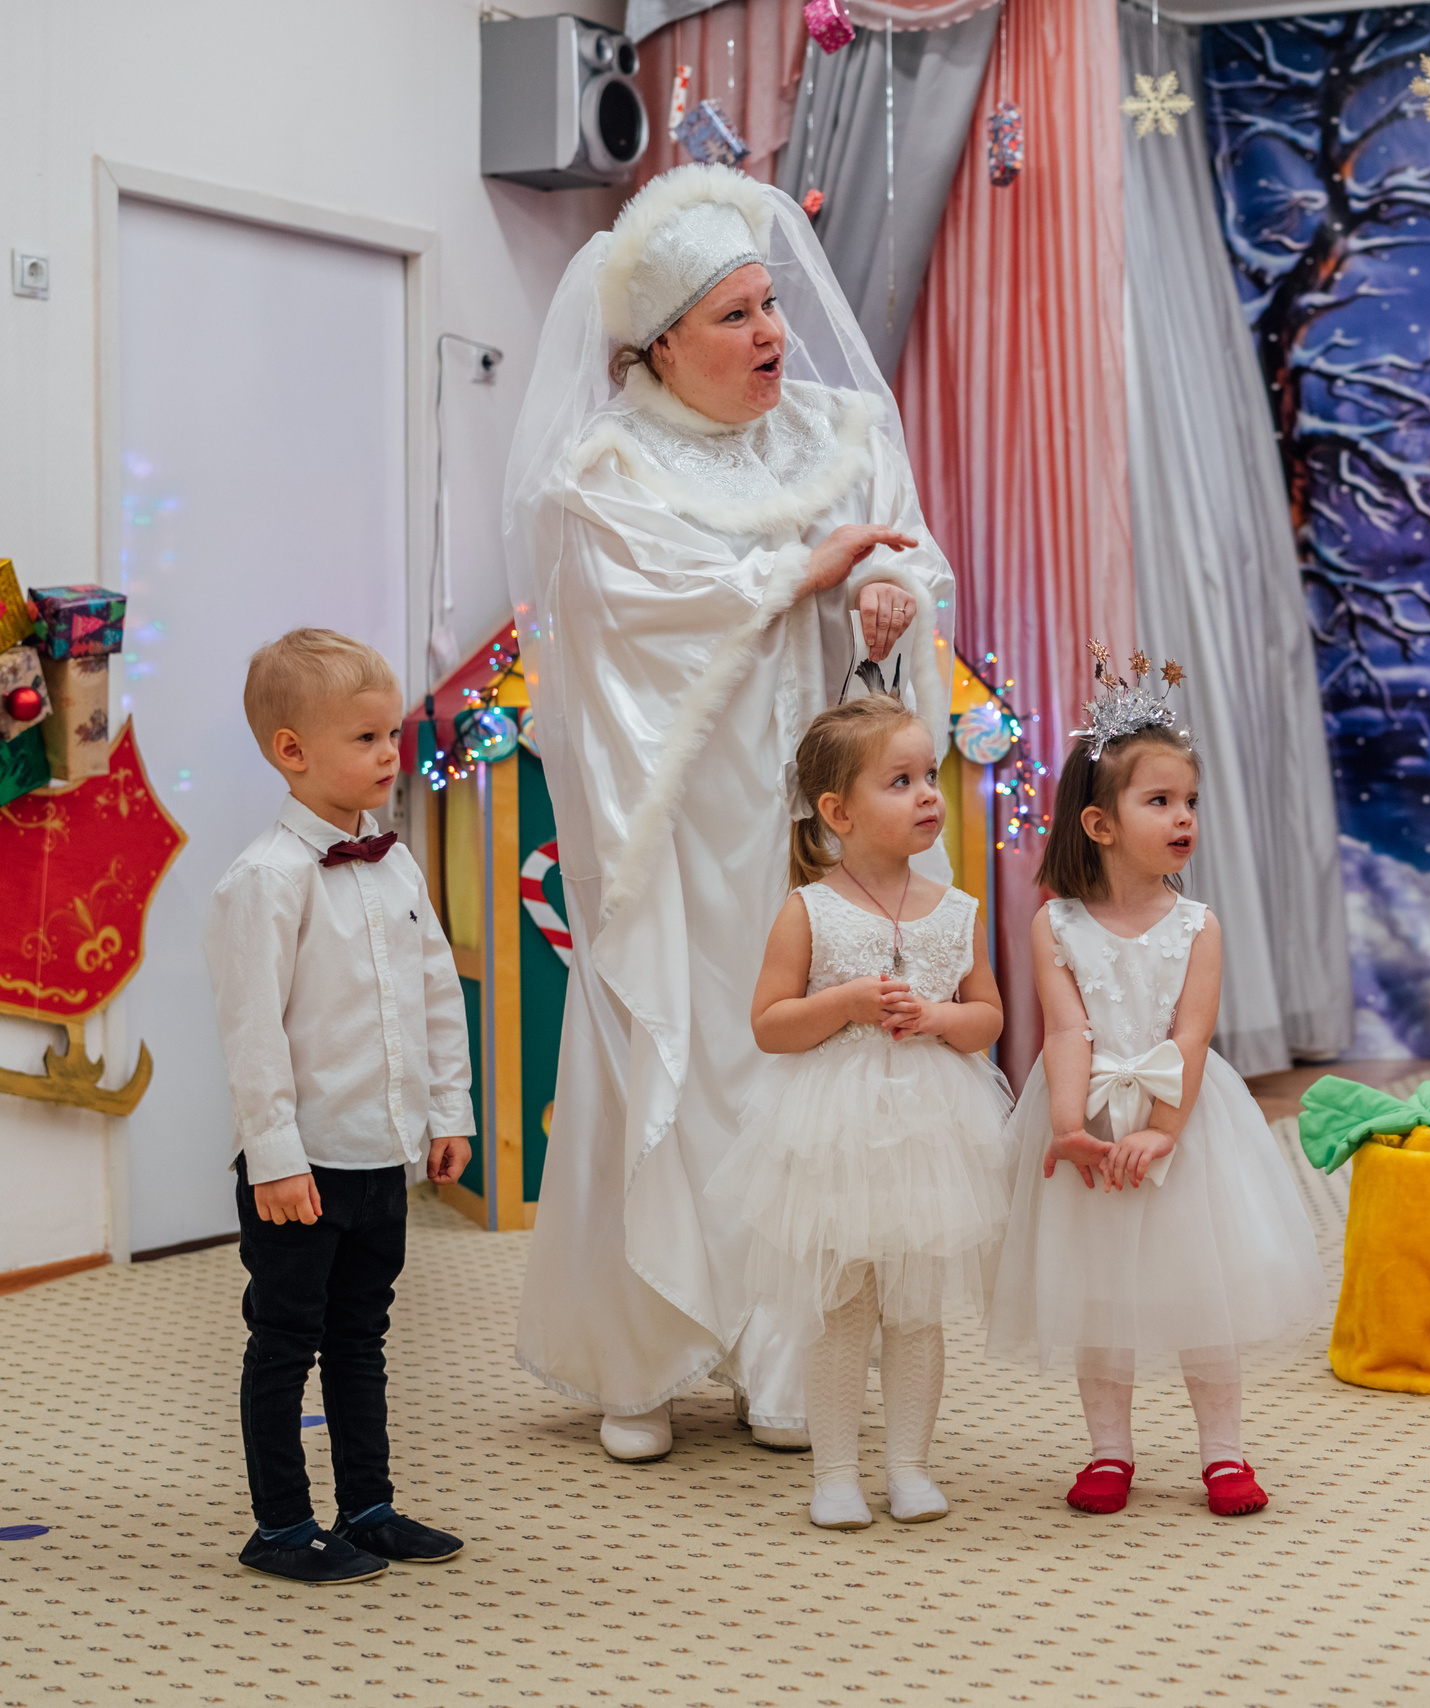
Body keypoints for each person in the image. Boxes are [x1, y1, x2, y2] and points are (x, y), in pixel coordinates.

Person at [503, 164, 957, 1461]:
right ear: (661, 342)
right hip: (679, 838)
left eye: (771, 306)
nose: (771, 335)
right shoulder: (603, 471)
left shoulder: (841, 433)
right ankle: (639, 1359)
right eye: (735, 316)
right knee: (680, 1048)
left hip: (812, 825)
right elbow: (625, 622)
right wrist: (800, 572)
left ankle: (785, 1353)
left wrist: (885, 596)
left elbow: (906, 553)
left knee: (799, 1063)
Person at [985, 654, 1324, 1517]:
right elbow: (1066, 1030)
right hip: (1093, 1121)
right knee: (1099, 1291)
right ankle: (1109, 1451)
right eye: (1160, 801)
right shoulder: (1054, 924)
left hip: (1184, 1120)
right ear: (1099, 824)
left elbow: (1191, 1037)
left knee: (1203, 1287)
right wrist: (1071, 1126)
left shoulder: (1198, 927)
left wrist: (1164, 1130)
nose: (1183, 818)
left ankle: (1224, 1453)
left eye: (1190, 802)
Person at [205, 629, 476, 1584]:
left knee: (362, 1336)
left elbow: (436, 992)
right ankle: (281, 1525)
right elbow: (253, 1035)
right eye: (365, 739)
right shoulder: (264, 881)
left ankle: (368, 1505)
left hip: (378, 1154)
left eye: (391, 734)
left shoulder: (396, 865)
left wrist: (449, 1112)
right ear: (292, 751)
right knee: (286, 1341)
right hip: (301, 1165)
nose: (389, 754)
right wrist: (274, 1157)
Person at [707, 697, 1012, 1529]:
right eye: (900, 781)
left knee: (915, 1309)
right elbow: (770, 1025)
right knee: (841, 1307)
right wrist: (843, 1003)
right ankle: (835, 1474)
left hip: (929, 1133)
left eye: (929, 775)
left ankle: (909, 1466)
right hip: (837, 1132)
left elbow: (988, 1017)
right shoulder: (809, 909)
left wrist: (940, 1018)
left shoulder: (956, 909)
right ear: (838, 813)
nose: (928, 794)